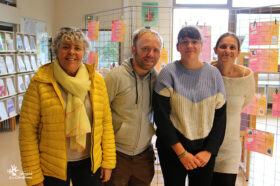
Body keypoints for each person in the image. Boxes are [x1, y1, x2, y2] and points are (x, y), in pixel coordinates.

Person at [19, 27, 116, 186]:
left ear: (83, 53)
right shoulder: (40, 82)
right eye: (66, 47)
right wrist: (33, 176)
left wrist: (108, 161)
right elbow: (27, 131)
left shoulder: (96, 81)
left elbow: (105, 123)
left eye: (77, 48)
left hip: (89, 162)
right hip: (52, 166)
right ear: (56, 51)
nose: (72, 52)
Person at [152, 26, 227, 186]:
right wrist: (182, 153)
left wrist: (209, 151)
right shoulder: (168, 73)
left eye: (194, 42)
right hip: (173, 150)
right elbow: (161, 118)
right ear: (178, 46)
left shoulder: (214, 75)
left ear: (201, 45)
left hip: (204, 152)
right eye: (184, 42)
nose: (190, 46)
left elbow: (220, 119)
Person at [104, 28, 163, 186]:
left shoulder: (158, 80)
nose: (150, 54)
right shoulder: (115, 77)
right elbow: (99, 116)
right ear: (133, 49)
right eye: (145, 48)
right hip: (116, 155)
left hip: (144, 157)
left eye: (155, 50)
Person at [211, 32, 255, 186]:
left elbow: (245, 102)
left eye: (232, 47)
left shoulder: (247, 76)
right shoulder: (205, 72)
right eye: (223, 46)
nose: (227, 50)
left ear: (238, 52)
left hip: (230, 147)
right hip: (204, 146)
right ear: (215, 50)